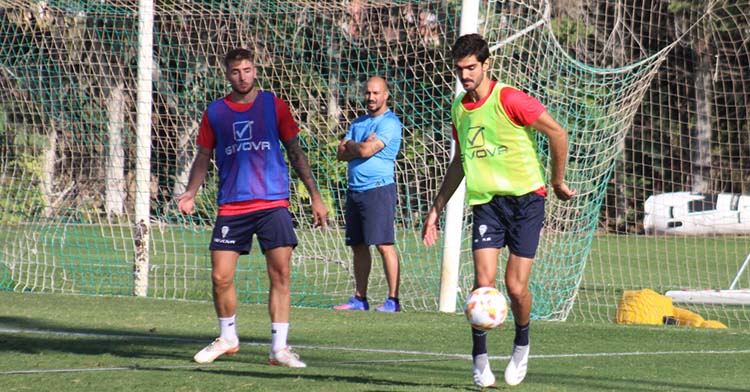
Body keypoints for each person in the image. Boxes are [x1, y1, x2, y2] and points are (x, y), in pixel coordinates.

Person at [421, 34, 576, 387]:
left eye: (471, 68)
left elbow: (557, 133)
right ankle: (479, 361)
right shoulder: (459, 108)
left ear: (486, 64)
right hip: (487, 203)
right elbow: (460, 161)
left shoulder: (509, 99)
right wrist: (436, 208)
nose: (465, 76)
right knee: (482, 288)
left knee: (516, 287)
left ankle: (522, 345)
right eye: (460, 70)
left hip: (526, 200)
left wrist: (557, 181)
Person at [177, 48, 328, 368]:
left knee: (281, 274)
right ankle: (227, 337)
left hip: (273, 203)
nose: (242, 76)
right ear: (227, 74)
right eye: (235, 71)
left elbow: (295, 151)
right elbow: (203, 155)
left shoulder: (274, 106)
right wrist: (190, 192)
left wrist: (315, 195)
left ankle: (279, 348)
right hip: (232, 206)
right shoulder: (215, 112)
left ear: (255, 70)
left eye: (247, 70)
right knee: (220, 276)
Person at [333, 76, 403, 313]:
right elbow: (340, 153)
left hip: (378, 190)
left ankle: (393, 300)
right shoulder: (359, 123)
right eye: (368, 93)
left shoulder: (390, 123)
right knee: (359, 245)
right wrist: (358, 145)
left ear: (386, 95)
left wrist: (355, 146)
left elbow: (363, 151)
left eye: (376, 93)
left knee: (384, 245)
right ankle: (359, 299)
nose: (371, 98)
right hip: (355, 191)